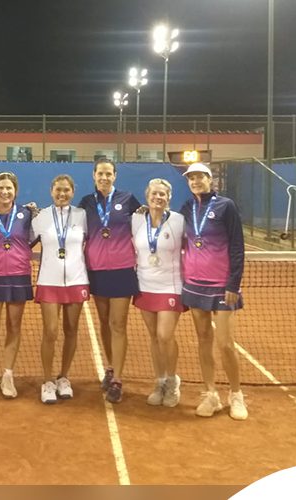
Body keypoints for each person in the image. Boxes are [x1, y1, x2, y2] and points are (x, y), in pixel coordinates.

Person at [179, 162, 248, 420]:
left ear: (210, 179)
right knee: (203, 340)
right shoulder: (187, 208)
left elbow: (237, 246)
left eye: (200, 177)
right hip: (194, 283)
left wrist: (233, 283)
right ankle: (211, 394)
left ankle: (236, 394)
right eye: (191, 178)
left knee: (225, 343)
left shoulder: (226, 206)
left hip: (221, 285)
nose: (195, 181)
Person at [78, 157, 141, 403]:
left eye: (108, 174)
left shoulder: (128, 199)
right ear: (94, 175)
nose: (104, 177)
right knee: (104, 322)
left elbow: (144, 225)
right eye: (100, 174)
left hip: (122, 270)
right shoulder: (86, 203)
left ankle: (118, 380)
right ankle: (111, 367)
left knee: (118, 324)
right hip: (96, 270)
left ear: (115, 176)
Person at [32, 174, 89, 404]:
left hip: (76, 280)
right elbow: (23, 241)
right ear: (51, 191)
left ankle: (64, 377)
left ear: (73, 192)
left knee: (71, 330)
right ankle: (47, 381)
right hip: (49, 281)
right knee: (51, 331)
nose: (62, 194)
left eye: (66, 190)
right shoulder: (41, 217)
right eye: (58, 190)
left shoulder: (82, 215)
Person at [131, 178, 185, 408]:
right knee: (153, 336)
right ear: (147, 196)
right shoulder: (136, 220)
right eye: (154, 193)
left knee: (165, 335)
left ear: (169, 198)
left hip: (170, 286)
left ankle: (172, 381)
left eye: (162, 194)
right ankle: (159, 381)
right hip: (144, 286)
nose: (158, 197)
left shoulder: (179, 221)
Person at [0, 172, 33, 399]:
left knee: (14, 326)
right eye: (1, 188)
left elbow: (35, 238)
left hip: (19, 275)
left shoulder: (26, 214)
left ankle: (8, 374)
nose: (5, 192)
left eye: (9, 188)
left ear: (15, 191)